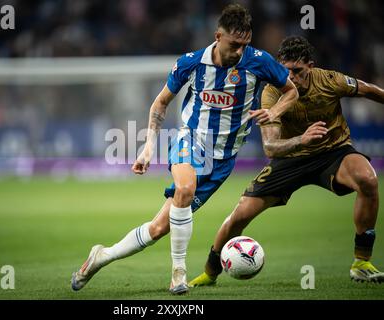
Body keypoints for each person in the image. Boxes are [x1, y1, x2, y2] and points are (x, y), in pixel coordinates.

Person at [70, 4, 298, 295]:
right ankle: (178, 274)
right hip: (191, 140)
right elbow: (160, 103)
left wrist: (275, 111)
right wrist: (148, 147)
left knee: (158, 228)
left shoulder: (259, 61)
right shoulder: (191, 62)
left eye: (244, 44)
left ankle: (102, 256)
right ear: (218, 36)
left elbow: (292, 90)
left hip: (223, 160)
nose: (239, 51)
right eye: (233, 44)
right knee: (185, 189)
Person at [189, 36, 384, 287]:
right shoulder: (271, 92)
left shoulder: (330, 80)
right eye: (286, 71)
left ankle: (361, 263)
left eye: (298, 71)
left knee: (368, 179)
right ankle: (209, 273)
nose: (291, 77)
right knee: (240, 215)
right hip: (289, 160)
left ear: (310, 67)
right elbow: (271, 147)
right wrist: (302, 140)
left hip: (333, 153)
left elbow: (369, 89)